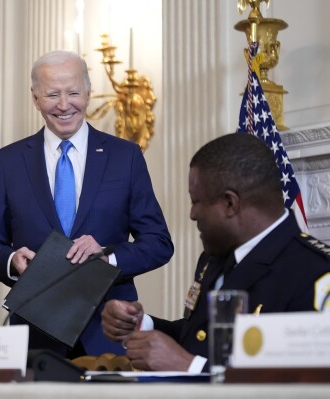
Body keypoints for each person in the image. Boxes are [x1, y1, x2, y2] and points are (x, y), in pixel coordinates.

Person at [0, 50, 173, 356]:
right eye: (52, 94)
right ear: (35, 98)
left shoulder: (125, 157)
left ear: (89, 92)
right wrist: (12, 261)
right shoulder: (9, 161)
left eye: (73, 93)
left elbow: (159, 243)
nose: (64, 105)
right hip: (35, 332)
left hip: (109, 330)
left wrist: (108, 258)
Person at [101, 133, 330, 372]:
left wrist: (190, 367)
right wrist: (140, 325)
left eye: (196, 201)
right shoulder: (215, 259)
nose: (192, 214)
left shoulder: (313, 274)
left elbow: (303, 384)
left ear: (230, 203)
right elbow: (200, 339)